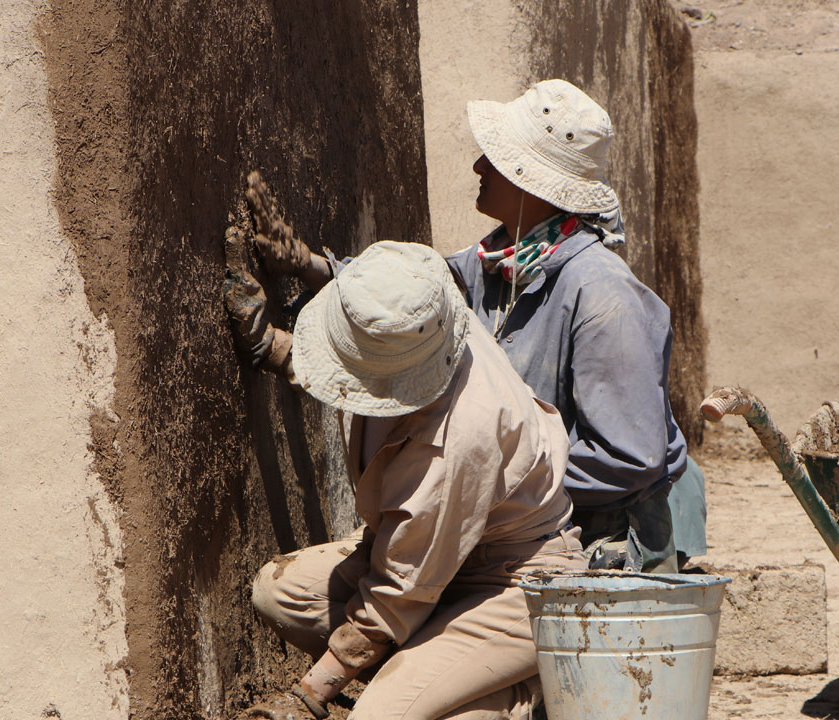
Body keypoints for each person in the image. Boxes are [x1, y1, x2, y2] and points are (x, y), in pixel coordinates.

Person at [250, 79, 706, 573]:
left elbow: (630, 459)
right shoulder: (499, 262)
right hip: (519, 523)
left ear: (530, 181)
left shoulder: (603, 296)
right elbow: (419, 293)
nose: (478, 167)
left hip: (600, 546)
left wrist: (487, 480)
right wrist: (306, 264)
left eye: (495, 158)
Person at [224, 237, 586, 720]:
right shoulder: (428, 323)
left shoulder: (462, 433)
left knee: (380, 717)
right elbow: (360, 364)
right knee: (281, 592)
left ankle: (517, 693)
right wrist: (271, 346)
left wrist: (308, 694)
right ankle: (439, 670)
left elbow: (403, 586)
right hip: (434, 558)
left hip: (513, 581)